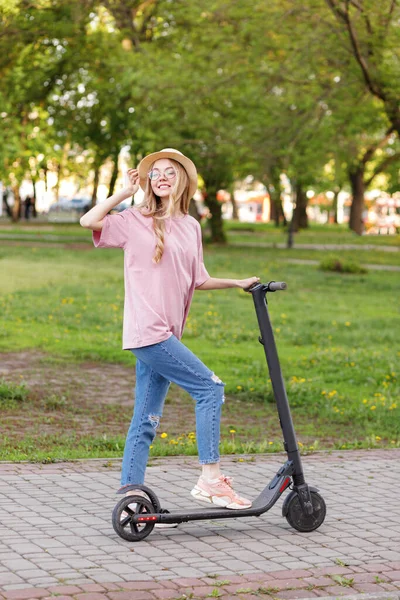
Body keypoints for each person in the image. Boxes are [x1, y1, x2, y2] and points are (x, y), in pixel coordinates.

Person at [80, 148, 259, 515]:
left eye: (169, 172)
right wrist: (122, 195)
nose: (161, 177)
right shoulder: (133, 218)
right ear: (147, 181)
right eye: (154, 172)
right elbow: (89, 221)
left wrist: (237, 283)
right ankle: (211, 480)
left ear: (183, 180)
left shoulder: (191, 227)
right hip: (150, 332)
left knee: (145, 419)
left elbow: (199, 279)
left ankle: (133, 501)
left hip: (166, 336)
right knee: (211, 388)